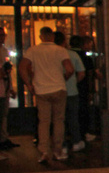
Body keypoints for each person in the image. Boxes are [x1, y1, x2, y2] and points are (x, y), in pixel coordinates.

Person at [20, 27, 74, 163]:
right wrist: (63, 78)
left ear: (41, 36)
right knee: (59, 120)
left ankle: (44, 151)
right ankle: (58, 150)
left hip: (41, 89)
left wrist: (29, 84)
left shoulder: (33, 50)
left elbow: (22, 67)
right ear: (52, 37)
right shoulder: (60, 50)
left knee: (44, 121)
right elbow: (70, 69)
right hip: (58, 88)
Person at [55, 31, 86, 152]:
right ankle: (76, 141)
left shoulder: (50, 55)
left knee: (58, 119)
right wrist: (73, 82)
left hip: (55, 90)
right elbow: (81, 73)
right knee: (73, 117)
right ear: (64, 42)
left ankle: (61, 144)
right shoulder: (72, 54)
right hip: (72, 91)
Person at [70, 35, 98, 141]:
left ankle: (73, 135)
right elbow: (87, 74)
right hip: (82, 88)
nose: (90, 46)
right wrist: (91, 90)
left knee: (71, 112)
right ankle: (83, 133)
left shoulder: (66, 55)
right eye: (89, 44)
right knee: (83, 111)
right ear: (83, 45)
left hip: (68, 88)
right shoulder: (85, 58)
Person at [0, 26, 18, 158]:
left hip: (4, 88)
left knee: (3, 115)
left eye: (3, 35)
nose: (2, 38)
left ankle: (3, 139)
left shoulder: (4, 50)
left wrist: (11, 88)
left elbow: (6, 70)